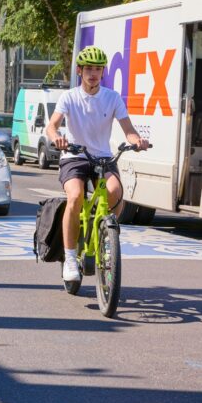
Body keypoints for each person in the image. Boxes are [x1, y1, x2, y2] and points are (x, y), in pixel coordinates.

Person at [45, 45, 150, 284]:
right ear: (80, 71)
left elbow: (129, 130)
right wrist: (57, 138)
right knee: (75, 196)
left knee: (116, 192)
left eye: (98, 69)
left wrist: (137, 141)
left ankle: (103, 232)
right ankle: (71, 258)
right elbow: (52, 126)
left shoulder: (112, 98)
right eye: (89, 68)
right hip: (74, 156)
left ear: (103, 72)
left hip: (102, 156)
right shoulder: (69, 97)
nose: (93, 73)